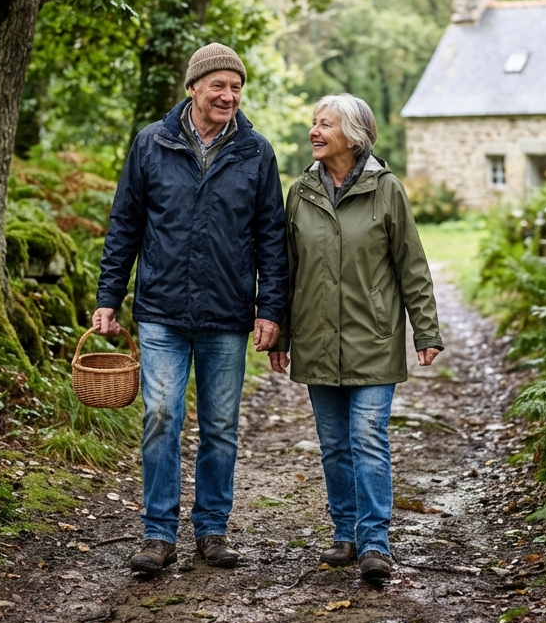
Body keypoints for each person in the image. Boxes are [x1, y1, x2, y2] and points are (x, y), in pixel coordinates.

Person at [94, 43, 288, 574]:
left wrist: (269, 309)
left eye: (236, 87)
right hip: (160, 309)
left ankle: (212, 529)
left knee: (221, 424)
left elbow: (272, 237)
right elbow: (125, 224)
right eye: (219, 85)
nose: (229, 95)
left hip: (227, 313)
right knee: (161, 415)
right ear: (194, 88)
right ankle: (158, 534)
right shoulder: (150, 144)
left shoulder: (256, 152)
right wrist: (109, 297)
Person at [269, 94, 442, 586]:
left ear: (353, 135)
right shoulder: (301, 192)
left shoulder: (387, 190)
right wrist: (279, 327)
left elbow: (412, 264)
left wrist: (425, 328)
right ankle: (344, 532)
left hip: (373, 338)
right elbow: (286, 268)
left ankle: (374, 542)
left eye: (325, 124)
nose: (314, 132)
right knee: (333, 445)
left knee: (368, 438)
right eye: (313, 123)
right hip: (317, 339)